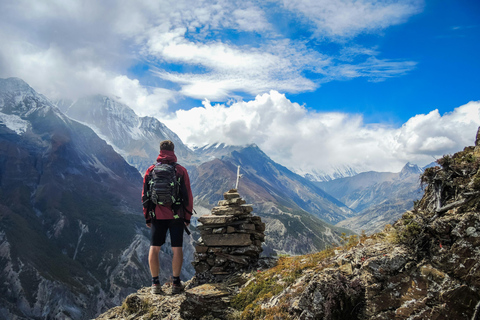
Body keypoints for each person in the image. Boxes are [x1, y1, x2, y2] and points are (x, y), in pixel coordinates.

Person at [142, 140, 193, 294]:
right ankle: (176, 284)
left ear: (160, 151)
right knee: (177, 248)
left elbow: (145, 196)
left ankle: (155, 284)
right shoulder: (181, 170)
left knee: (154, 248)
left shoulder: (151, 170)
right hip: (176, 215)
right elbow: (188, 196)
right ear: (173, 151)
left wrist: (147, 217)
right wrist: (187, 217)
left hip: (157, 215)